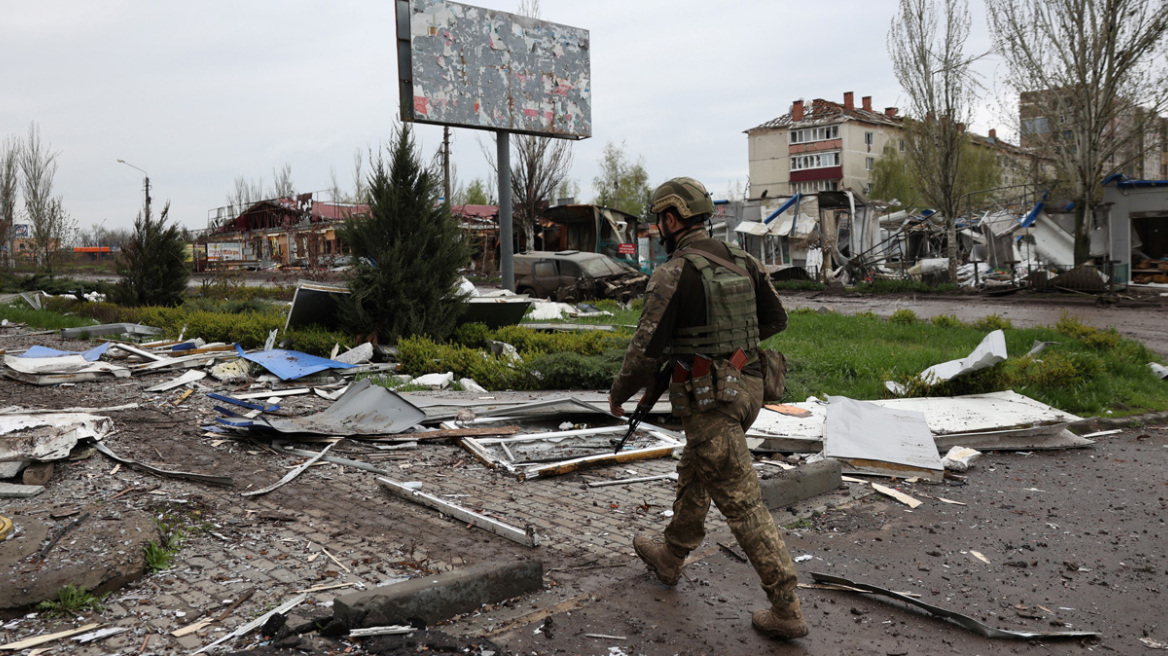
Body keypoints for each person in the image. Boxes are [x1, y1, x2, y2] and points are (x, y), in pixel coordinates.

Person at [608, 177, 808, 640]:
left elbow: (643, 352)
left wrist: (620, 393)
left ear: (673, 219)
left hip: (710, 400)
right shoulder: (744, 260)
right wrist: (731, 348)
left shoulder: (673, 273)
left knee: (742, 503)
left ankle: (786, 607)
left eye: (660, 220)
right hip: (751, 385)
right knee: (697, 467)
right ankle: (671, 556)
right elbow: (776, 319)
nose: (657, 229)